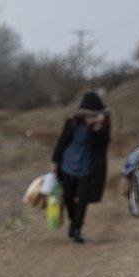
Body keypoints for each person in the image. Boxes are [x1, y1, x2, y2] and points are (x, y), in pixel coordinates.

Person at [51, 91, 111, 243]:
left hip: (87, 165)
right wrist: (55, 162)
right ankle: (73, 217)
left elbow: (103, 143)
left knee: (83, 197)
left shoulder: (102, 123)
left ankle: (76, 228)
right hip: (68, 164)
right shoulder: (72, 121)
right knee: (69, 195)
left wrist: (96, 128)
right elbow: (62, 141)